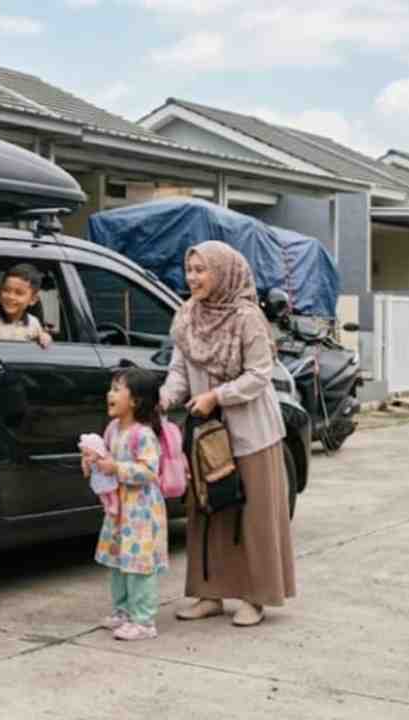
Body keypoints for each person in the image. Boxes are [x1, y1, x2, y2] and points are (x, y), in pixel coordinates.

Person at [160, 240, 296, 628]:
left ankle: (256, 596)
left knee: (252, 516)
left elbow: (259, 375)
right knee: (207, 512)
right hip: (208, 433)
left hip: (251, 431)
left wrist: (217, 396)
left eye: (202, 270)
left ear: (224, 272)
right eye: (190, 270)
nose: (193, 278)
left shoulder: (247, 317)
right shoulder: (187, 315)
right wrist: (165, 398)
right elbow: (180, 369)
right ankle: (209, 593)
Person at [83, 368, 169, 641]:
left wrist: (115, 468)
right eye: (111, 388)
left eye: (117, 389)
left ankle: (143, 621)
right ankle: (122, 612)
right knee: (119, 561)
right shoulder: (112, 429)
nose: (110, 393)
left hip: (141, 510)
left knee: (139, 564)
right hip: (119, 509)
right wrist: (93, 463)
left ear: (135, 401)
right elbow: (106, 459)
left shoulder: (142, 434)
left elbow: (149, 471)